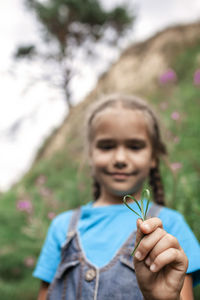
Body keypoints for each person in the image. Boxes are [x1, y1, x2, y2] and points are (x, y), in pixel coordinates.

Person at [33, 94, 200, 300]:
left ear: (153, 157)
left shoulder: (172, 225)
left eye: (135, 146)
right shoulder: (63, 227)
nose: (120, 159)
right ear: (90, 156)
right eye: (106, 146)